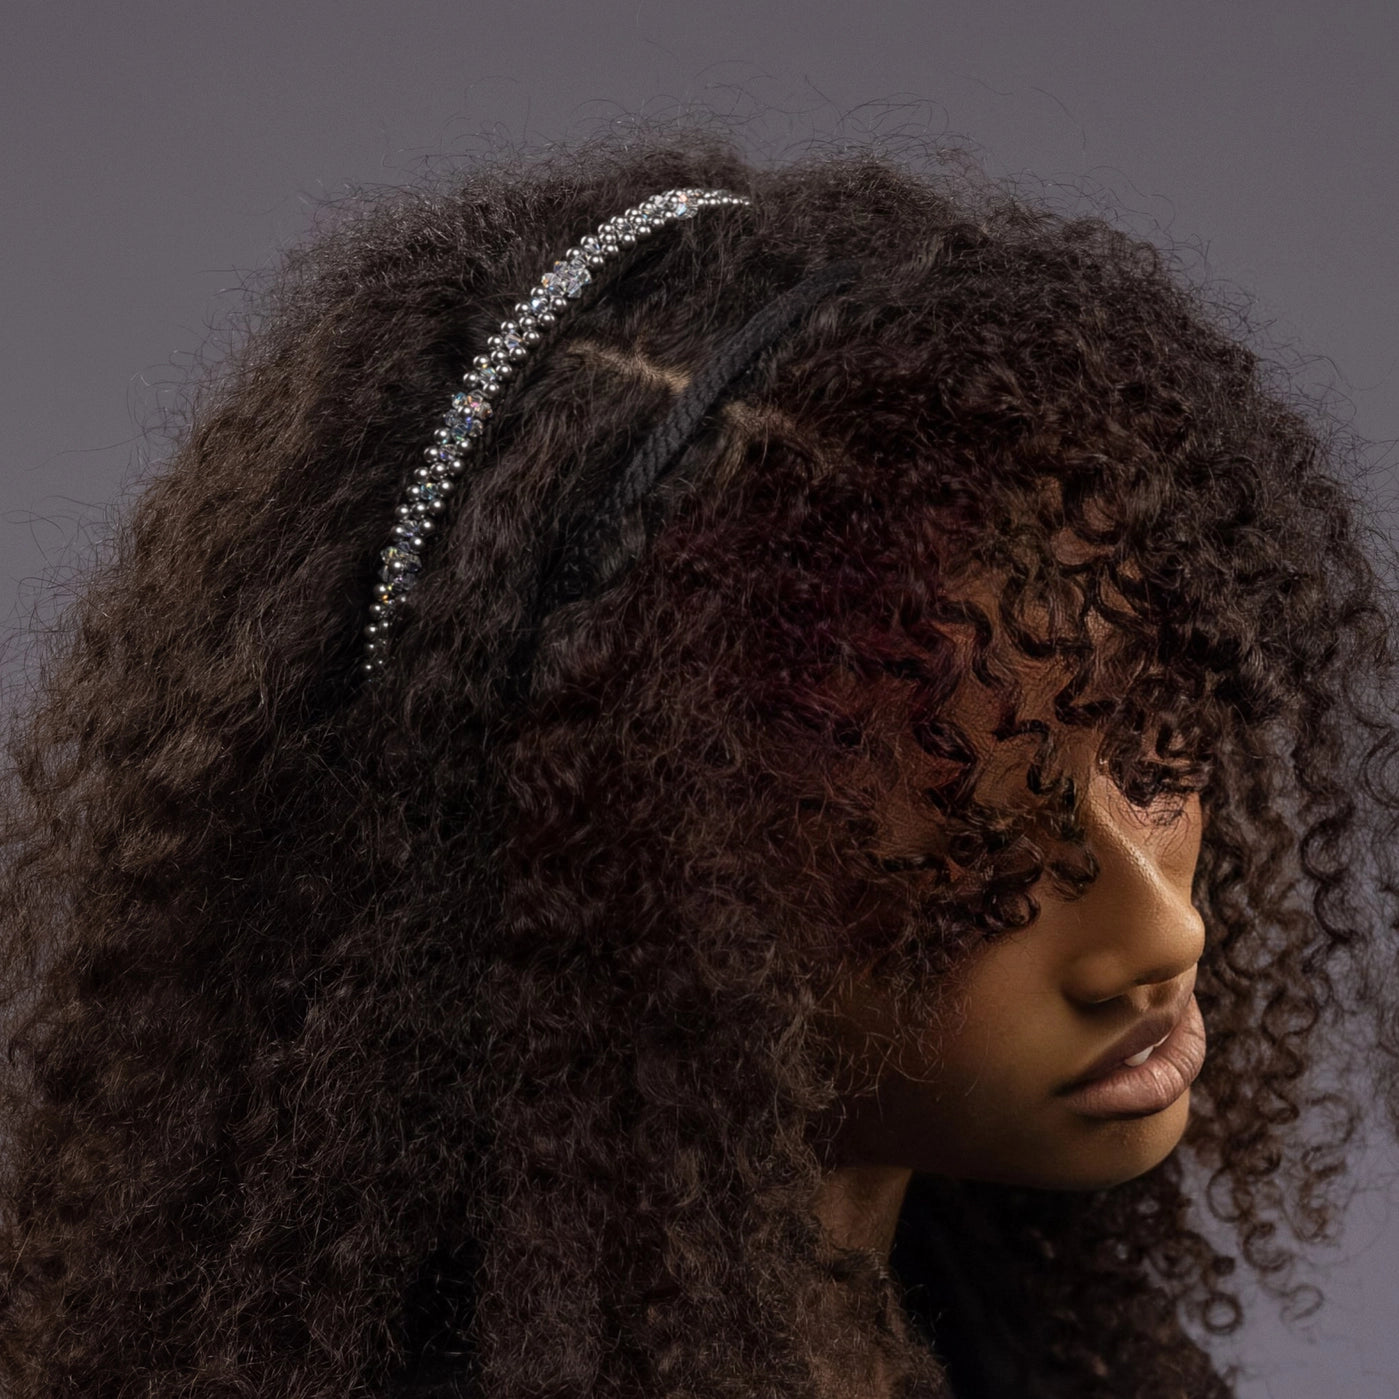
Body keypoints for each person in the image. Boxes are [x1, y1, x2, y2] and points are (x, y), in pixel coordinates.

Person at [0, 124, 1395, 1399]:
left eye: (1156, 755)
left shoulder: (988, 1334)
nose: (1159, 928)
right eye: (975, 855)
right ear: (615, 884)